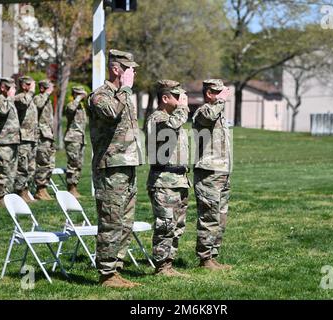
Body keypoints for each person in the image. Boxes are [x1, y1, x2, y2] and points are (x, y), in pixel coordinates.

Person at [88, 49, 142, 288]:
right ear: (116, 69)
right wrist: (126, 90)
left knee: (125, 222)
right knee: (111, 221)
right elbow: (110, 113)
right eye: (130, 69)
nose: (134, 73)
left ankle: (116, 269)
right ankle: (106, 273)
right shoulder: (100, 95)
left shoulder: (124, 96)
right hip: (110, 168)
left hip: (127, 165)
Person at [145, 80, 190, 277]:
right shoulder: (158, 118)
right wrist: (183, 108)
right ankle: (161, 266)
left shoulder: (172, 117)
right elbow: (171, 128)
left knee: (177, 225)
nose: (182, 101)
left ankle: (169, 264)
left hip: (178, 179)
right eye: (178, 97)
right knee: (165, 224)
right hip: (163, 180)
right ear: (165, 98)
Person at [192, 79, 232, 270]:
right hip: (208, 172)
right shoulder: (204, 111)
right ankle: (204, 258)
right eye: (218, 93)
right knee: (209, 216)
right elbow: (208, 116)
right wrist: (221, 101)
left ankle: (213, 255)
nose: (223, 96)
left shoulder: (219, 114)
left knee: (221, 217)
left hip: (223, 171)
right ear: (209, 93)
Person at [0, 77, 20, 207]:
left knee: (12, 172)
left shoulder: (9, 101)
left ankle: (9, 196)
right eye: (9, 88)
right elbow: (2, 112)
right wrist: (9, 97)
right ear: (3, 88)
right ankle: (0, 197)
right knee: (4, 171)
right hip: (3, 142)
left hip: (12, 140)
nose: (12, 90)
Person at [14, 75, 38, 203]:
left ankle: (26, 190)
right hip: (23, 137)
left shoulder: (30, 98)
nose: (33, 87)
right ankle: (20, 191)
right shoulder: (19, 97)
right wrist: (31, 91)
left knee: (31, 167)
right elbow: (24, 103)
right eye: (30, 84)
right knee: (22, 166)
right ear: (24, 85)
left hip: (32, 137)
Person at [33, 79, 55, 201]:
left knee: (49, 163)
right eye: (48, 88)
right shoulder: (38, 98)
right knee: (43, 162)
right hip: (41, 135)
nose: (50, 90)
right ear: (42, 89)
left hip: (48, 135)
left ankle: (44, 187)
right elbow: (38, 105)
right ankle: (40, 190)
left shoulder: (47, 99)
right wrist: (46, 93)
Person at [64, 86, 88, 198]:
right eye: (79, 94)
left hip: (81, 139)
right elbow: (70, 110)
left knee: (79, 164)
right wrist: (78, 98)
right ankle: (71, 188)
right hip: (72, 139)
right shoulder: (71, 105)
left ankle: (75, 187)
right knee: (73, 164)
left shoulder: (81, 107)